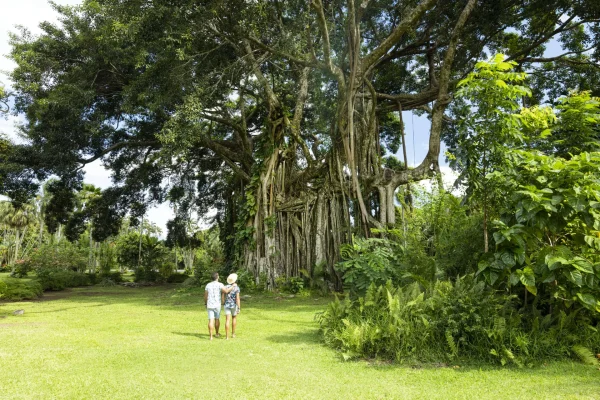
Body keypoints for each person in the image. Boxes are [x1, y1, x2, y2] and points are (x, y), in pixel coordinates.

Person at [204, 272, 236, 340]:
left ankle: (211, 337)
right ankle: (217, 333)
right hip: (217, 304)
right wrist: (233, 286)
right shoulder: (220, 284)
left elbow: (206, 296)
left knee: (210, 320)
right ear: (217, 277)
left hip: (209, 304)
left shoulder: (208, 285)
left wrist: (205, 303)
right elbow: (226, 291)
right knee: (217, 319)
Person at [223, 273, 241, 340]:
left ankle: (227, 336)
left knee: (227, 320)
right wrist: (239, 307)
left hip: (227, 304)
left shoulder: (225, 287)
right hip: (233, 305)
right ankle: (233, 334)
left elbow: (223, 295)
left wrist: (223, 302)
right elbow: (237, 298)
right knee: (234, 318)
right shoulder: (236, 288)